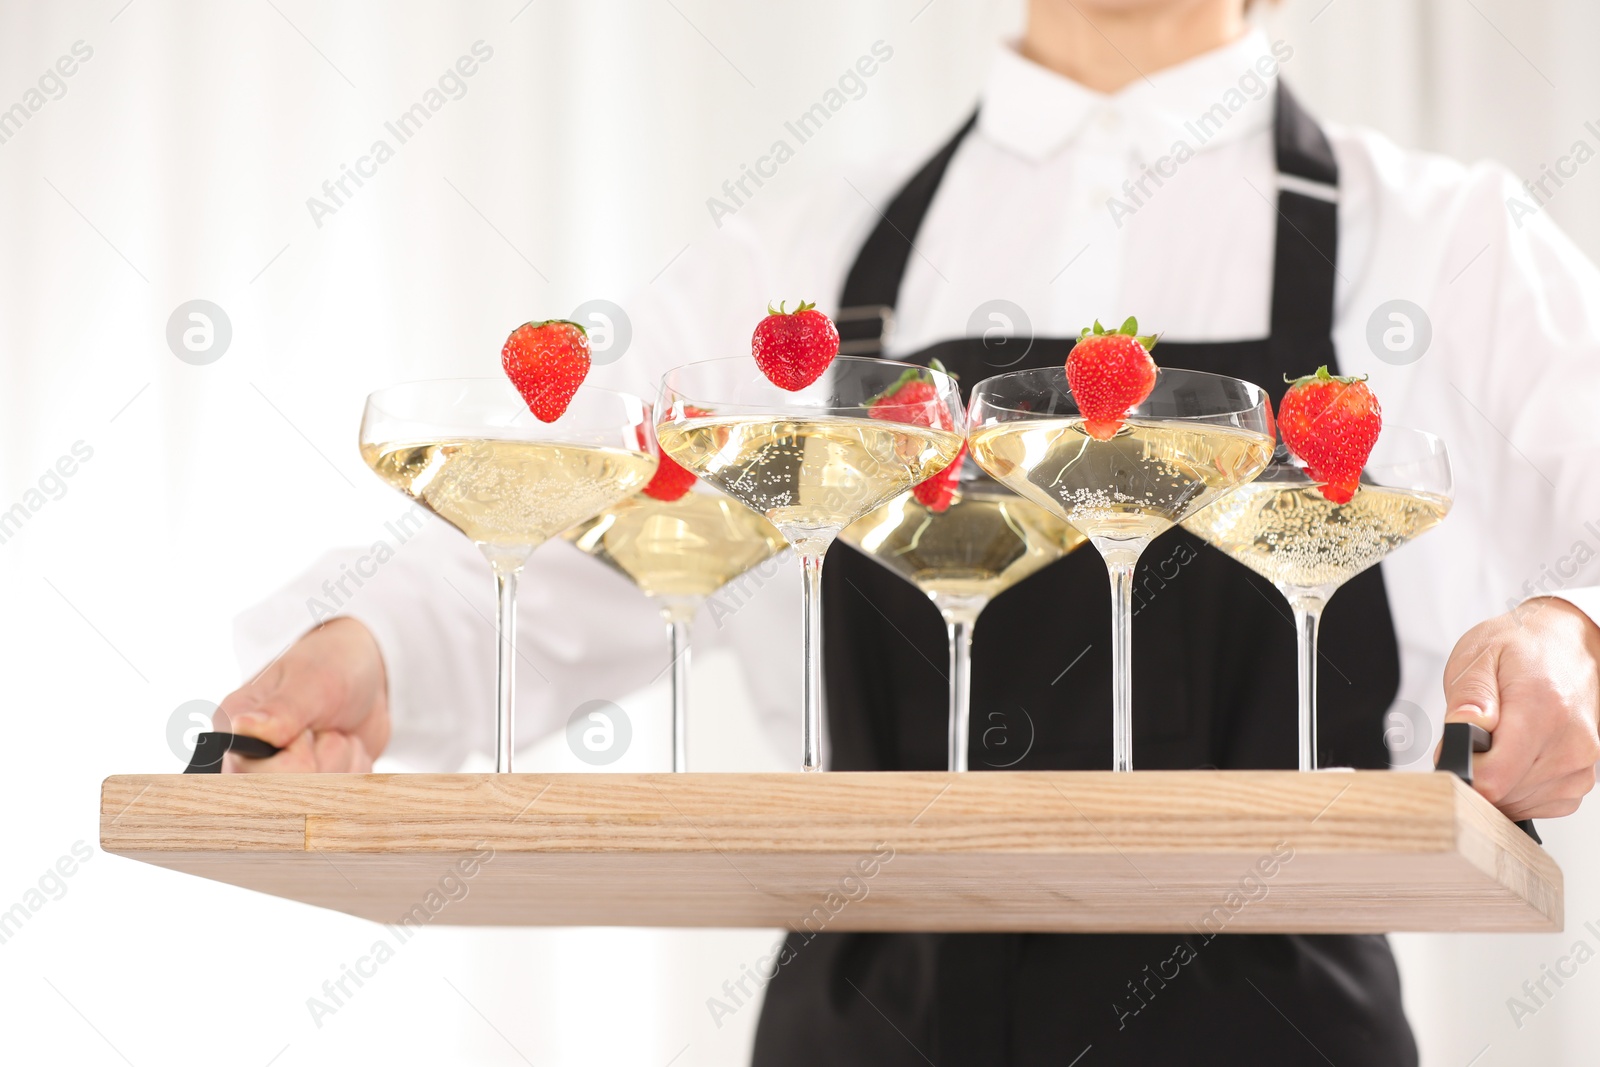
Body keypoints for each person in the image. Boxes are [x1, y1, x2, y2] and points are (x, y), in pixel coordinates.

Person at [216, 0, 1600, 1062]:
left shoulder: (1450, 241)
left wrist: (1566, 635)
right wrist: (365, 651)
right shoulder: (806, 263)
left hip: (1279, 1027)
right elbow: (586, 519)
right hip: (867, 1025)